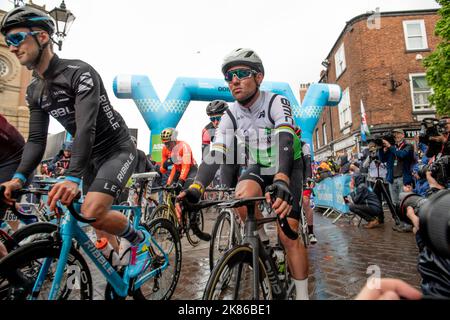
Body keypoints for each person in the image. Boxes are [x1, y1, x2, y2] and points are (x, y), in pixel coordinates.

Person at [0, 5, 152, 279]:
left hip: (116, 149)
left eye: (17, 38)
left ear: (43, 37)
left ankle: (140, 241)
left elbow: (86, 127)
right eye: (8, 41)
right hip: (90, 156)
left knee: (92, 211)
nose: (11, 47)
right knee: (94, 224)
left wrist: (72, 177)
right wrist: (19, 177)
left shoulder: (79, 72)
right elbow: (35, 139)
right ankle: (120, 271)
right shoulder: (34, 90)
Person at [176, 48, 309, 299]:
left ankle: (303, 295)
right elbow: (216, 152)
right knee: (241, 196)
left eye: (241, 73)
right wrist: (195, 188)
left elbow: (285, 136)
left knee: (288, 234)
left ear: (259, 77)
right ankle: (263, 245)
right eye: (229, 76)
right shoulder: (230, 114)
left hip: (287, 163)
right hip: (259, 164)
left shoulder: (275, 101)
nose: (234, 80)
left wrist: (281, 178)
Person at [379, 128, 414, 232]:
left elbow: (402, 154)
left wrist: (390, 147)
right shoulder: (392, 148)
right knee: (395, 203)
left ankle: (408, 224)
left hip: (403, 178)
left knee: (405, 202)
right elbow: (382, 159)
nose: (397, 136)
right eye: (395, 134)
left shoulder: (408, 146)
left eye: (399, 134)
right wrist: (382, 149)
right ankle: (402, 223)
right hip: (392, 179)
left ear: (403, 135)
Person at [295, 126, 317, 244]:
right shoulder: (286, 145)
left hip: (304, 177)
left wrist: (308, 178)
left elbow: (308, 164)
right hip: (293, 178)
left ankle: (311, 232)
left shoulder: (304, 146)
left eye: (297, 136)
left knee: (306, 201)